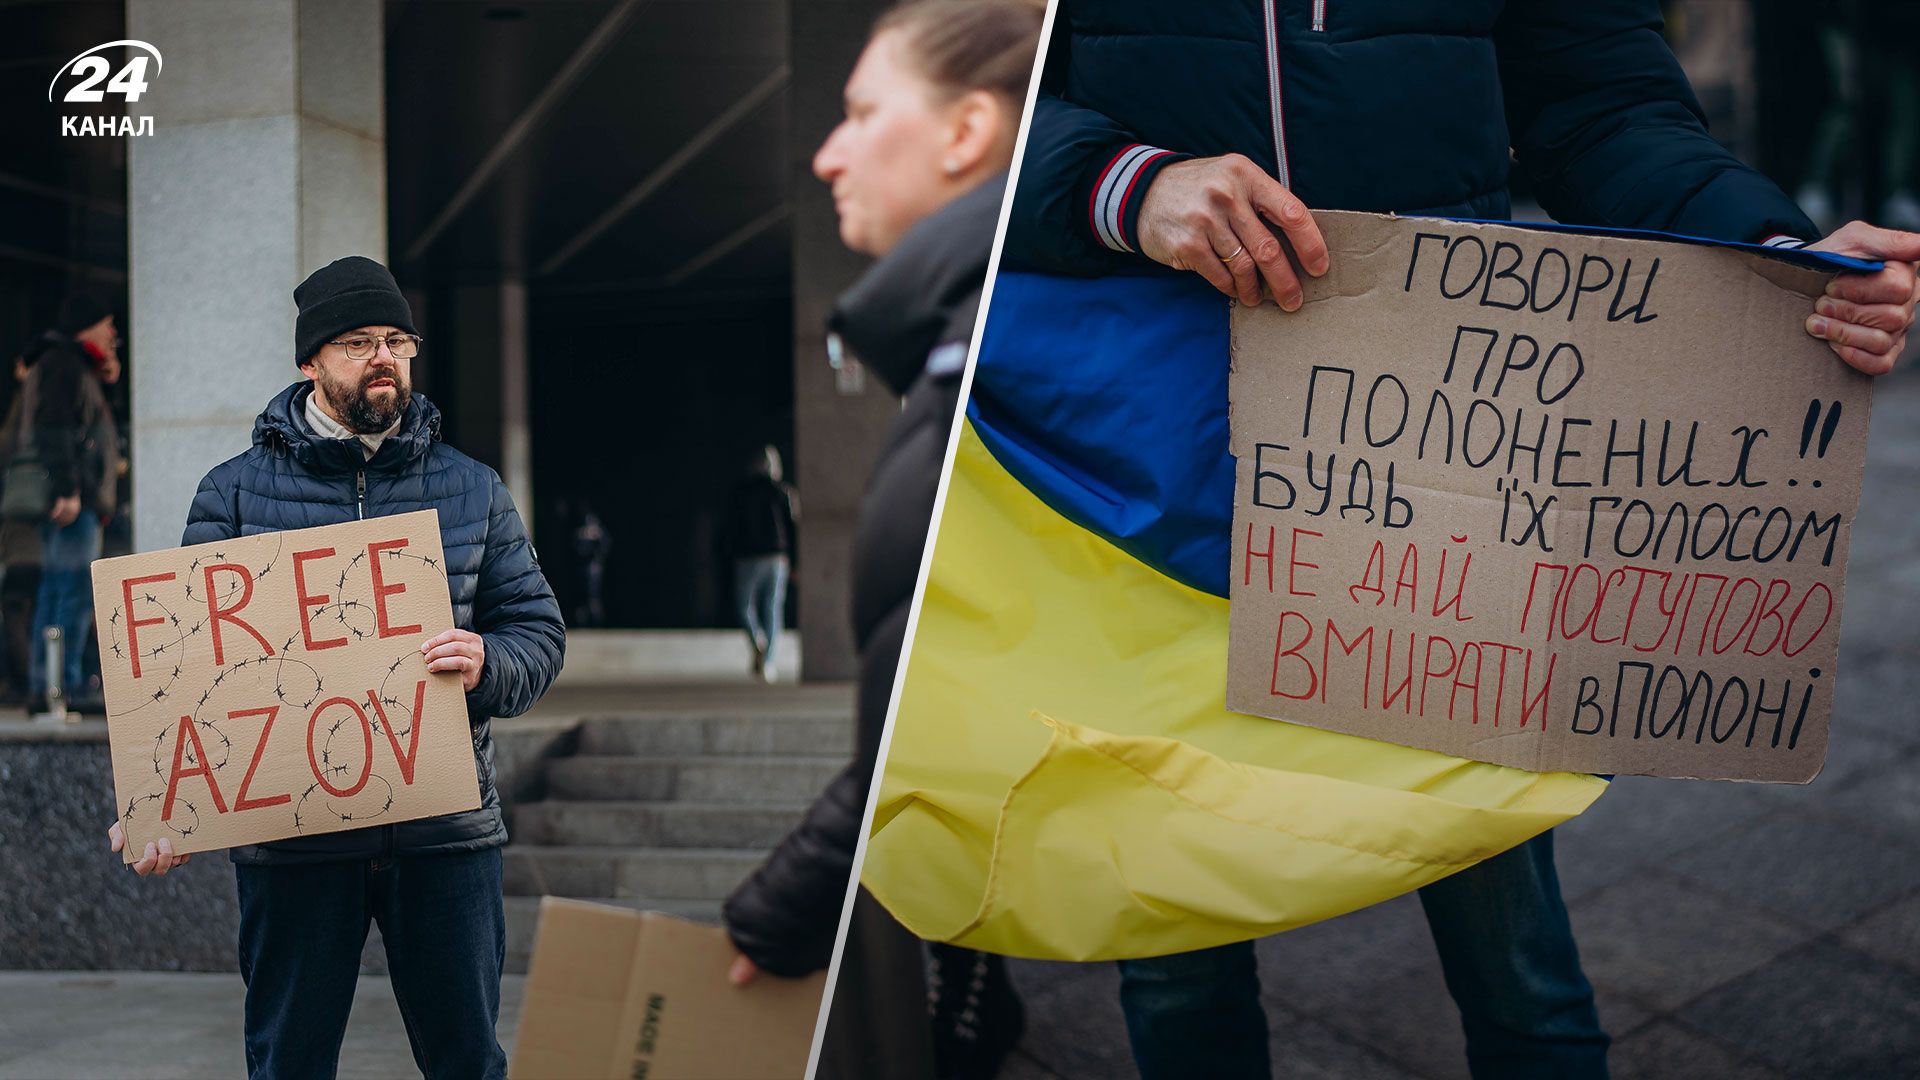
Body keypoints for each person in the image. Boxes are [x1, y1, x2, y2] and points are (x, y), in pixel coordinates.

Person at [1004, 4, 1920, 1079]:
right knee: (1173, 952)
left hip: (1427, 452)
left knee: (1510, 934)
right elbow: (963, 107)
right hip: (1141, 455)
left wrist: (1771, 256)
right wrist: (1124, 183)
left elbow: (1603, 103)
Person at [104, 255, 565, 1080]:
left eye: (397, 339)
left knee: (468, 1060)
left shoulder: (472, 489)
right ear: (311, 363)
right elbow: (183, 675)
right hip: (296, 846)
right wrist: (162, 804)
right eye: (357, 342)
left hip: (445, 838)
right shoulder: (233, 495)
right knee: (288, 1062)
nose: (383, 356)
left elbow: (538, 628)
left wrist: (490, 659)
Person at [718, 3, 1041, 1077]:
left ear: (966, 135)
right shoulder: (956, 353)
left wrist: (776, 914)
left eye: (862, 113)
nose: (826, 152)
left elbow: (918, 732)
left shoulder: (972, 372)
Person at [17, 293, 121, 713]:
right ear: (89, 324)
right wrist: (68, 489)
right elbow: (54, 428)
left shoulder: (74, 365)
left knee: (61, 590)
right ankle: (62, 687)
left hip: (77, 500)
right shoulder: (63, 362)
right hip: (71, 503)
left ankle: (52, 686)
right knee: (70, 591)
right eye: (108, 323)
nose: (114, 332)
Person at [724, 445, 797, 680]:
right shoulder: (782, 492)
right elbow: (793, 528)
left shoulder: (741, 493)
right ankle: (769, 661)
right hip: (776, 556)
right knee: (772, 608)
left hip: (748, 556)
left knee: (744, 606)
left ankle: (759, 642)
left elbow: (732, 528)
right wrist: (794, 560)